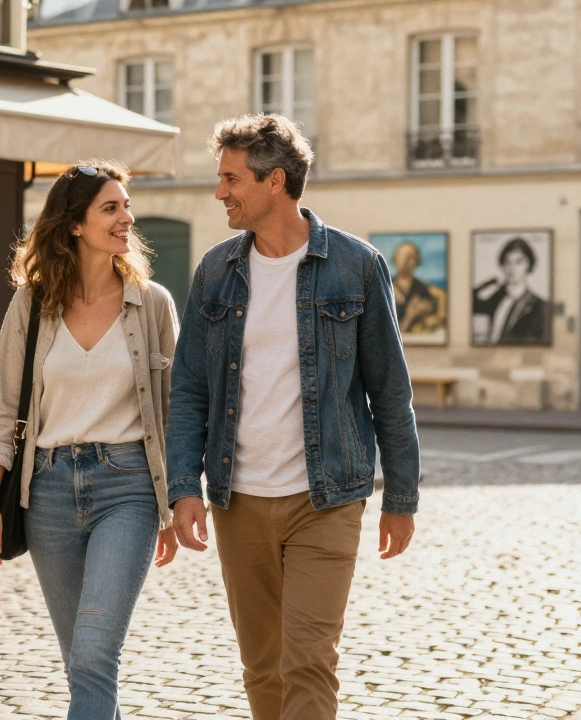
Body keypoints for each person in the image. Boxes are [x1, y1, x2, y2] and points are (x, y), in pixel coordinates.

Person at [166, 114, 421, 720]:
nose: (220, 192)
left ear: (274, 181)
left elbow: (390, 390)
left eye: (231, 179)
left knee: (307, 658)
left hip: (325, 497)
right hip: (239, 499)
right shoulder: (215, 272)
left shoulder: (356, 266)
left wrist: (402, 497)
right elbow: (190, 391)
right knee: (262, 664)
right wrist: (183, 487)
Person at [0, 160, 180, 720]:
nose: (126, 218)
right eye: (111, 207)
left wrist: (177, 500)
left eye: (126, 206)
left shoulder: (152, 304)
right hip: (49, 493)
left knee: (93, 653)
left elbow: (176, 411)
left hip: (128, 487)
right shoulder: (33, 304)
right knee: (82, 664)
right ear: (75, 225)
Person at [472, 237, 547, 344]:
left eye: (519, 262)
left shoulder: (540, 307)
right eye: (507, 262)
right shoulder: (495, 298)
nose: (512, 268)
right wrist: (489, 283)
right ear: (502, 265)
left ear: (529, 265)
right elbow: (470, 303)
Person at [391, 241, 446, 335]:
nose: (404, 260)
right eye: (401, 256)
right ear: (395, 259)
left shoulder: (421, 289)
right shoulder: (386, 286)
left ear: (416, 261)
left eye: (409, 257)